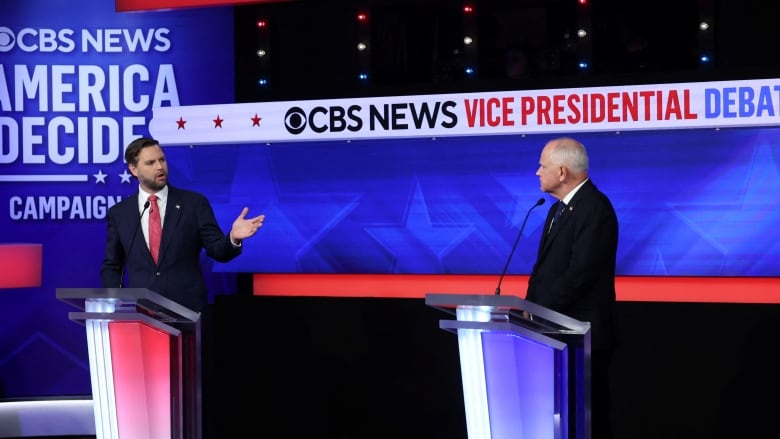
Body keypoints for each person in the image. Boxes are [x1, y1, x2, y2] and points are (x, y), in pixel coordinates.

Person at [100, 136, 265, 439]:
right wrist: (115, 306)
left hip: (188, 319)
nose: (160, 167)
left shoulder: (192, 203)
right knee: (147, 401)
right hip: (141, 321)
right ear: (134, 170)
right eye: (150, 163)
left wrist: (234, 237)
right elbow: (112, 265)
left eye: (162, 160)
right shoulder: (121, 213)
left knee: (190, 400)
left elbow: (218, 250)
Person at [526, 137, 618, 439]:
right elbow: (546, 272)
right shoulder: (556, 210)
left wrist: (537, 311)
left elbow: (581, 276)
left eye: (543, 165)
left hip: (583, 337)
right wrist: (528, 312)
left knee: (586, 421)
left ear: (562, 172)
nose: (538, 172)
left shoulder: (595, 209)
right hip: (554, 333)